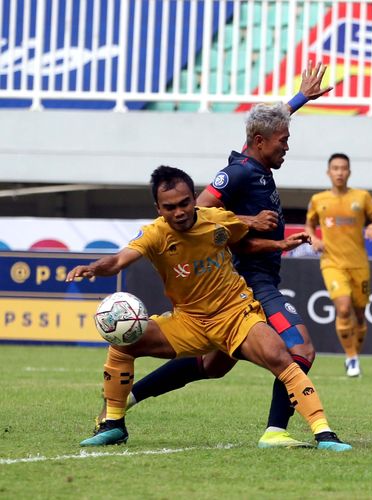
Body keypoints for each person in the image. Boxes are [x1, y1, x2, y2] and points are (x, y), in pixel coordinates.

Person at [111, 62, 334, 450]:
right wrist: (250, 229)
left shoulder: (257, 159)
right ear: (262, 141)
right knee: (300, 349)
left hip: (255, 280)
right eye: (283, 139)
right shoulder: (238, 173)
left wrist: (299, 99)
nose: (287, 144)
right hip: (251, 283)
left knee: (212, 365)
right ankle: (276, 429)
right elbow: (200, 210)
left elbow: (264, 128)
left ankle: (128, 398)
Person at [68, 166, 351, 451]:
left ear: (194, 198)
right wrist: (93, 268)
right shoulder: (154, 234)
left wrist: (278, 243)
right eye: (169, 207)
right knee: (124, 342)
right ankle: (113, 424)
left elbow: (244, 244)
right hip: (188, 321)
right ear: (158, 208)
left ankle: (323, 432)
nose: (178, 212)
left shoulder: (217, 220)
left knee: (280, 357)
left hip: (235, 315)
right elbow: (119, 260)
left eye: (184, 203)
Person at [304, 153, 372, 377]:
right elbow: (309, 226)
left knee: (359, 315)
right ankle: (351, 358)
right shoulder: (318, 200)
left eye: (343, 168)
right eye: (335, 168)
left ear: (349, 172)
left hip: (358, 263)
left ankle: (354, 356)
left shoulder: (362, 196)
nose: (339, 172)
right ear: (328, 172)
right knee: (343, 308)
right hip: (332, 263)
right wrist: (314, 238)